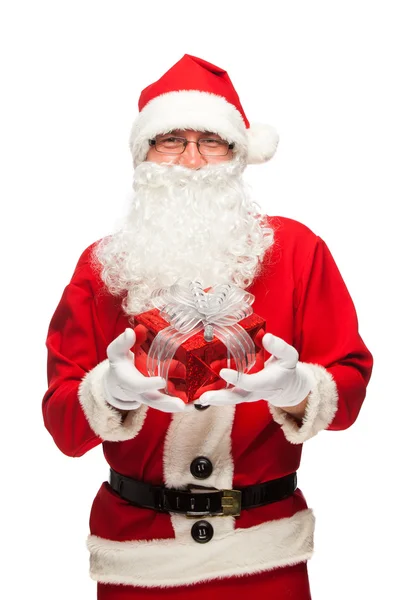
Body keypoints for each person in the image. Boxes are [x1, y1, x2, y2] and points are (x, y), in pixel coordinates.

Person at [42, 54, 373, 599]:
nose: (191, 160)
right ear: (143, 156)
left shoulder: (296, 250)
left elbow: (351, 386)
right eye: (170, 139)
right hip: (138, 560)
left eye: (211, 141)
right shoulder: (102, 267)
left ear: (238, 156)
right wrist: (109, 394)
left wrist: (298, 392)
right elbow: (62, 426)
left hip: (265, 556)